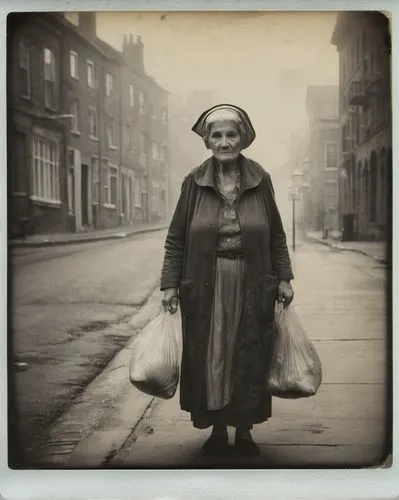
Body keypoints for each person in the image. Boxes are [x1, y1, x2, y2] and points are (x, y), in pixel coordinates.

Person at [160, 104, 294, 457]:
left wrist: (284, 278)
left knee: (247, 353)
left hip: (251, 281)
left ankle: (245, 430)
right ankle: (218, 429)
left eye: (230, 134)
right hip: (206, 283)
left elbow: (277, 234)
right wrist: (169, 285)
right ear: (207, 140)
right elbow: (176, 238)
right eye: (216, 135)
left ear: (243, 138)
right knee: (212, 354)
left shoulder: (260, 179)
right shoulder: (194, 181)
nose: (224, 142)